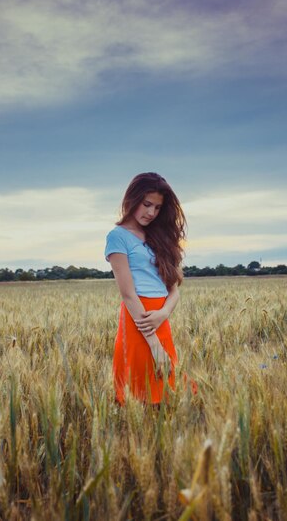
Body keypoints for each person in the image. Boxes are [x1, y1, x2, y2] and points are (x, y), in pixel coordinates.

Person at [105, 172, 187, 405]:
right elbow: (128, 294)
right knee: (138, 394)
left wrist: (163, 313)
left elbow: (174, 290)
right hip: (138, 318)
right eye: (147, 204)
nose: (151, 213)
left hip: (160, 317)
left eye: (157, 208)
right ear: (132, 199)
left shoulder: (157, 236)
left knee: (166, 389)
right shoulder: (117, 237)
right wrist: (153, 343)